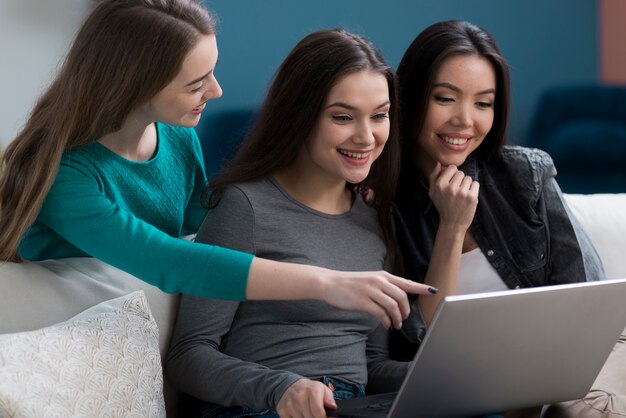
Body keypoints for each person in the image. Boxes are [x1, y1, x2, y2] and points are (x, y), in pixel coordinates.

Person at [0, 0, 435, 329]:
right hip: (61, 336)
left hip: (138, 324)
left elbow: (213, 232)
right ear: (133, 87)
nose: (218, 90)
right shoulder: (66, 175)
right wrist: (327, 282)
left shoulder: (179, 136)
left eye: (212, 71)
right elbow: (170, 261)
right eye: (196, 84)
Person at [165, 28, 450, 418]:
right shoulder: (245, 206)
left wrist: (442, 377)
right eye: (343, 117)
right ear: (300, 116)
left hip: (352, 407)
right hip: (260, 407)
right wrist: (281, 388)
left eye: (379, 116)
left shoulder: (374, 219)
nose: (366, 137)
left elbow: (370, 366)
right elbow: (187, 356)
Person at [378, 19, 606, 416]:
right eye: (445, 98)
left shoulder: (525, 175)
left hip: (568, 374)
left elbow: (590, 302)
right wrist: (451, 227)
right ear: (408, 98)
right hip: (462, 396)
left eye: (483, 103)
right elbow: (414, 346)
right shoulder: (378, 200)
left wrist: (537, 385)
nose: (466, 120)